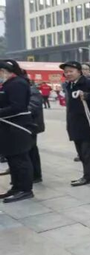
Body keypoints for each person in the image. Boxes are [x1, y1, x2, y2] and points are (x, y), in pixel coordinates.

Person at [60, 60, 90, 186]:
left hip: (88, 123)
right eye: (66, 72)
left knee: (88, 153)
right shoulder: (68, 85)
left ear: (79, 71)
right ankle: (87, 175)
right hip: (74, 123)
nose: (68, 74)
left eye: (71, 71)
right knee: (81, 153)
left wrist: (86, 95)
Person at [0, 60, 35, 203]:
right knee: (13, 160)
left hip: (17, 127)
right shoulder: (7, 84)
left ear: (3, 71)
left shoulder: (17, 83)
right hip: (8, 128)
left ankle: (26, 189)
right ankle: (16, 187)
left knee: (21, 159)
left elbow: (18, 107)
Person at [28, 75, 45, 184]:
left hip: (31, 125)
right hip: (27, 125)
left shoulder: (32, 90)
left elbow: (33, 106)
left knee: (31, 150)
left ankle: (36, 175)